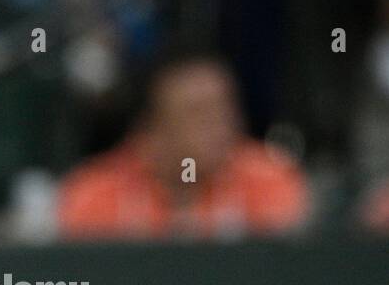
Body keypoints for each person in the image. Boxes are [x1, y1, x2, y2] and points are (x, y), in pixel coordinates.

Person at [57, 53, 309, 240]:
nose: (219, 126)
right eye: (198, 113)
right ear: (151, 130)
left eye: (224, 110)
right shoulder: (94, 194)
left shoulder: (271, 181)